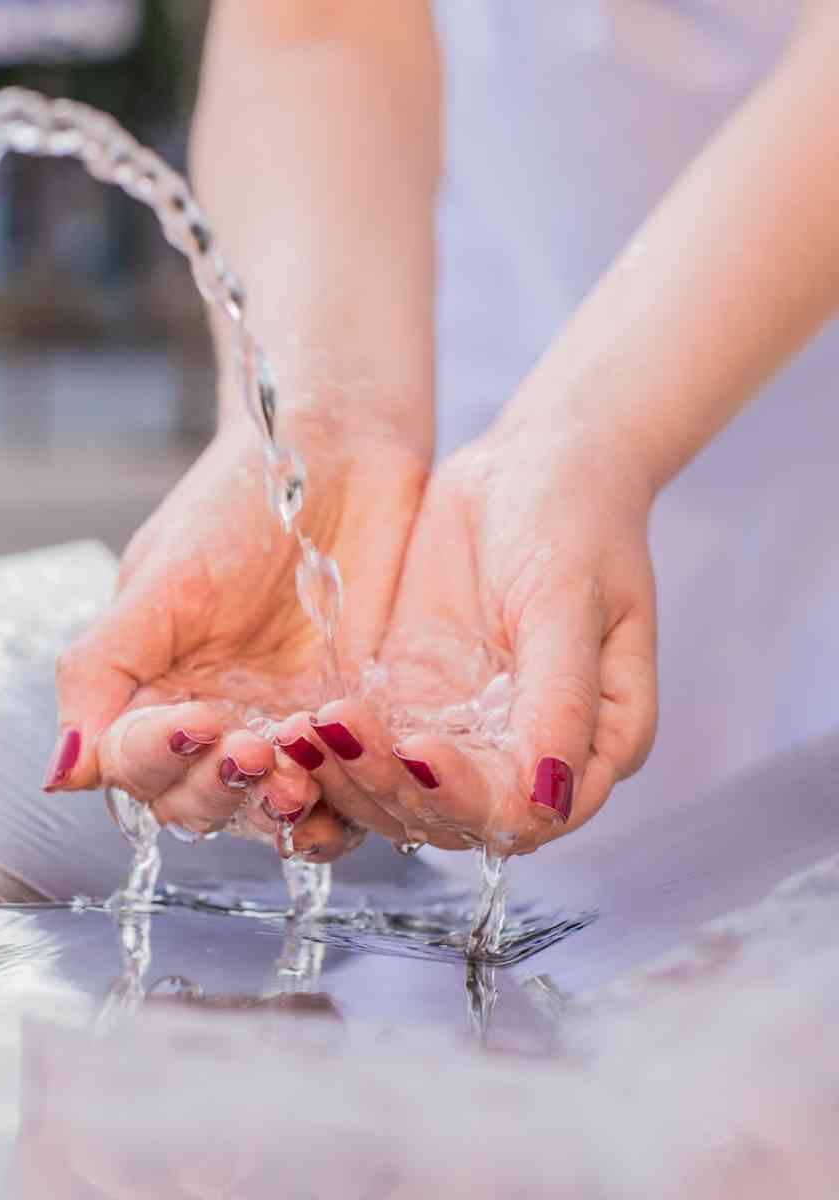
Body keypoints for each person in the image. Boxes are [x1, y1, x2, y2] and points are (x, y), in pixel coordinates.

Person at [45, 0, 839, 863]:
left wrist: (592, 435)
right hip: (496, 367)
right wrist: (315, 422)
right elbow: (317, 25)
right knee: (585, 920)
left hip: (774, 346)